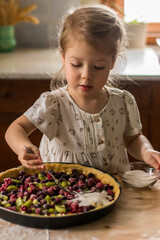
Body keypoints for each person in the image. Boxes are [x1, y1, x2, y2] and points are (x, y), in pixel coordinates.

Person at [5, 4, 160, 174]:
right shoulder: (54, 103)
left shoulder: (123, 101)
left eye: (99, 66)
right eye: (77, 64)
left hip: (113, 188)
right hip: (64, 191)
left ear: (112, 61)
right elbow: (16, 129)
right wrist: (23, 147)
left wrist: (146, 151)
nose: (86, 75)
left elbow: (133, 140)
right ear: (64, 58)